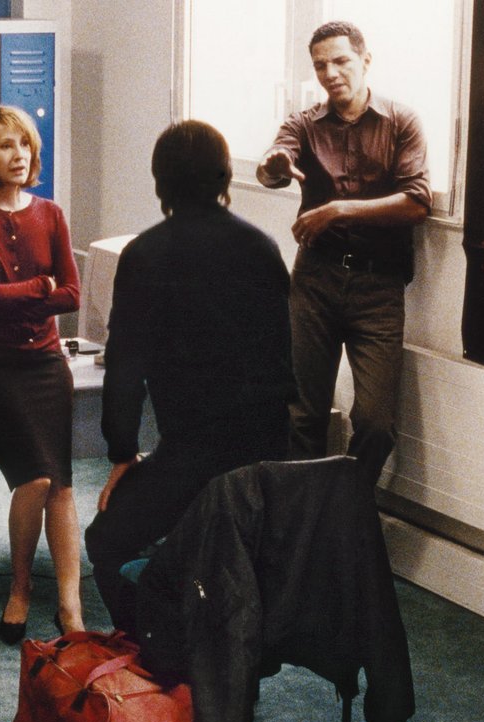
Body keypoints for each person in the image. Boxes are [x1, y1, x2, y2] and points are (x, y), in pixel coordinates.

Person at [84, 120, 295, 632]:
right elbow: (282, 364)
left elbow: (125, 368)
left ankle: (155, 647)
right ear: (225, 178)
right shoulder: (263, 249)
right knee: (225, 543)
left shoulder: (145, 255)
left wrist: (121, 455)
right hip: (264, 454)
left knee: (105, 540)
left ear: (160, 182)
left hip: (191, 454)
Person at [257, 20, 432, 486]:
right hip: (315, 282)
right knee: (303, 416)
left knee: (376, 424)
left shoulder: (402, 122)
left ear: (365, 60)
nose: (330, 73)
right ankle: (300, 521)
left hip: (379, 289)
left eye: (340, 61)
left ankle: (345, 506)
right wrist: (272, 166)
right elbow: (275, 162)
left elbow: (417, 201)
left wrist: (337, 211)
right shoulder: (303, 123)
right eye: (320, 66)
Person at [0, 105, 85, 643]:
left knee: (63, 485)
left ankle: (69, 604)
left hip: (47, 363)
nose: (19, 154)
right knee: (37, 477)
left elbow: (72, 295)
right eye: (6, 145)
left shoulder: (50, 213)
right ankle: (20, 589)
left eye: (25, 144)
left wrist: (18, 293)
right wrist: (38, 288)